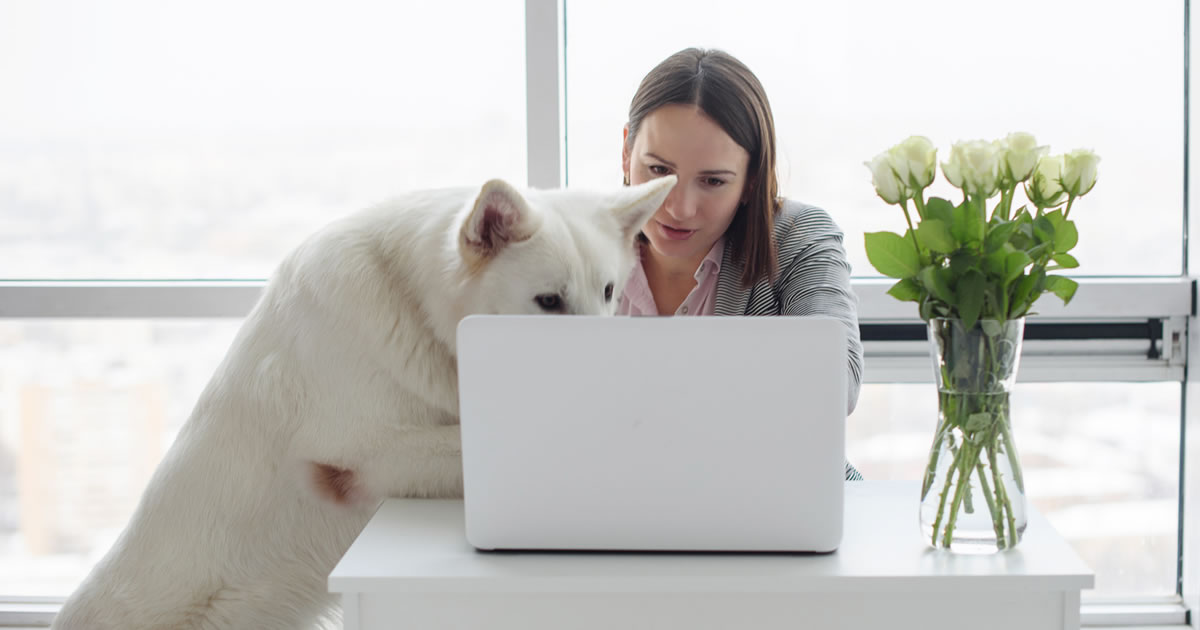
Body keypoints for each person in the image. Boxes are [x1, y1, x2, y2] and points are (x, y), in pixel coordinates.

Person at [617, 47, 865, 481]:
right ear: (626, 154)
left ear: (752, 179)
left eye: (712, 181)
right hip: (614, 496)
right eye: (658, 170)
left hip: (774, 501)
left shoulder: (797, 236)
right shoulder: (577, 244)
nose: (679, 207)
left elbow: (835, 388)